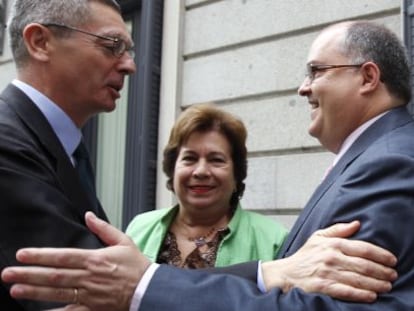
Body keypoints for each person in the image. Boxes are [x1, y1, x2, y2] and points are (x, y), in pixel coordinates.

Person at [2, 19, 412, 310]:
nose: (302, 87)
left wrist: (143, 284)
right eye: (112, 46)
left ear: (368, 77)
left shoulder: (389, 161)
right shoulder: (139, 226)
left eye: (316, 71)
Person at [0, 0, 136, 309]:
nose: (130, 65)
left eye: (129, 49)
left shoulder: (61, 146)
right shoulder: (6, 145)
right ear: (41, 42)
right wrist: (259, 276)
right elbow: (105, 286)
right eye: (113, 45)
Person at [126, 103, 288, 268]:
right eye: (189, 158)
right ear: (173, 169)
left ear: (236, 174)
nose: (201, 171)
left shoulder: (274, 241)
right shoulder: (139, 229)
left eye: (216, 160)